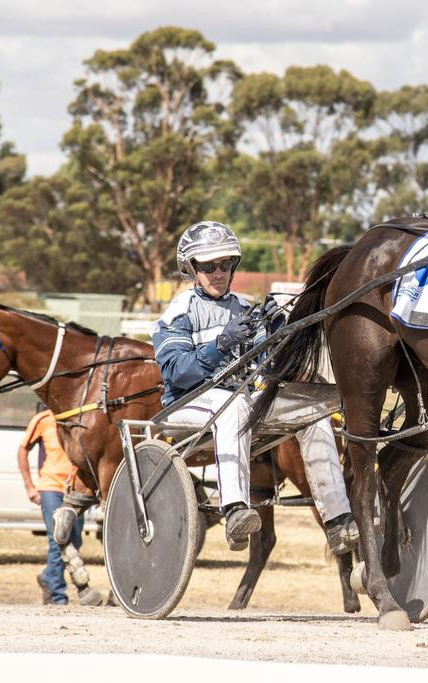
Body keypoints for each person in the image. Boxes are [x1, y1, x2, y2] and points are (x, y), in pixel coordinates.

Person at [151, 220, 358, 555]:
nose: (219, 272)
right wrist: (219, 345)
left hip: (242, 402)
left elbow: (271, 365)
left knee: (314, 412)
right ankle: (235, 509)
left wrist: (279, 332)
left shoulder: (246, 307)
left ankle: (337, 520)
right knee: (234, 405)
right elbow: (176, 372)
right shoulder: (178, 311)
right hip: (187, 404)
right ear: (190, 268)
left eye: (226, 264)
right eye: (208, 266)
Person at [18, 407, 96, 606]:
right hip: (50, 487)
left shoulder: (81, 416)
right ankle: (57, 595)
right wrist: (29, 485)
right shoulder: (43, 419)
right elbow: (22, 449)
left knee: (75, 542)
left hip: (75, 490)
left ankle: (47, 577)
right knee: (58, 540)